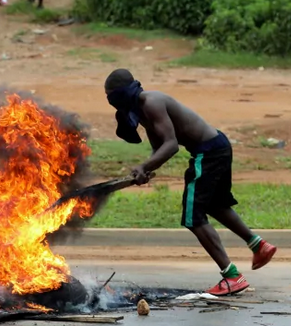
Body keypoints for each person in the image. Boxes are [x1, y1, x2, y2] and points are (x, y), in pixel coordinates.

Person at [103, 69, 278, 296]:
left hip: (208, 152)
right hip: (217, 146)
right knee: (215, 205)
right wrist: (147, 169)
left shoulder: (151, 102)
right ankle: (258, 245)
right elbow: (160, 148)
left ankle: (232, 276)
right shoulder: (143, 110)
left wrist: (144, 167)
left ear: (119, 95)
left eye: (110, 97)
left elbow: (172, 145)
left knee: (193, 216)